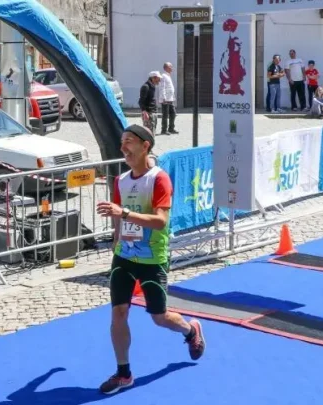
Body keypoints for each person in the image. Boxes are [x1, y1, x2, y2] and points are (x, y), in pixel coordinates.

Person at [95, 124, 205, 395]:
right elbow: (119, 220)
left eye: (129, 142)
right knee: (118, 312)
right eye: (121, 143)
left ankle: (190, 330)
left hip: (152, 259)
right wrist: (116, 242)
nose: (123, 148)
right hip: (124, 258)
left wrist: (123, 214)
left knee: (159, 317)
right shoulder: (120, 180)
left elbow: (160, 221)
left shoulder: (159, 179)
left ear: (146, 146)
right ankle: (124, 373)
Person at [159, 63, 177, 135]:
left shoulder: (168, 76)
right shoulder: (163, 76)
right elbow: (162, 87)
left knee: (173, 113)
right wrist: (164, 98)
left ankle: (171, 128)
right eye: (170, 67)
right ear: (166, 68)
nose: (172, 68)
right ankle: (164, 130)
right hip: (165, 99)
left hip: (170, 99)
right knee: (165, 115)